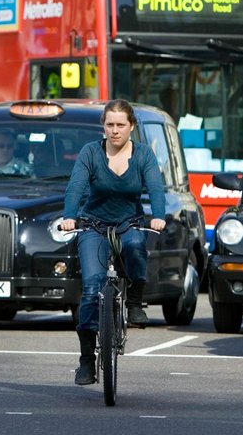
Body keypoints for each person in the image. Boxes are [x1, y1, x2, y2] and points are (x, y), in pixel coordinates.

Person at [61, 99, 166, 386]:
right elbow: (76, 186)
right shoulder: (90, 152)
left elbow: (155, 186)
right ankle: (85, 361)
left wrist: (158, 216)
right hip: (93, 225)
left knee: (134, 247)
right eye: (110, 125)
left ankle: (134, 301)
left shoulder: (143, 155)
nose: (115, 131)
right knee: (92, 286)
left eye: (121, 125)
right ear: (103, 126)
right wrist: (69, 216)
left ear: (132, 126)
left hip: (128, 223)